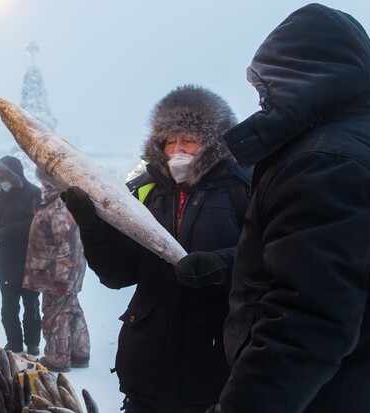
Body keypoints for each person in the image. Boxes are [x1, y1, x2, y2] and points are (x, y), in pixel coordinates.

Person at [174, 4, 370, 412]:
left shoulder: (323, 163)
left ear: (304, 80)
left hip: (322, 398)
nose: (263, 101)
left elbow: (305, 324)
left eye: (267, 89)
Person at [62, 85, 251, 412]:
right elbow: (118, 273)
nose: (178, 149)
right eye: (170, 140)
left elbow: (269, 259)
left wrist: (223, 265)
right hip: (146, 371)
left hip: (214, 368)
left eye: (190, 139)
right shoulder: (143, 192)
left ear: (214, 143)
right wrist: (94, 229)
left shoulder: (242, 188)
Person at [22, 168, 90, 372]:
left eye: (44, 181)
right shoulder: (56, 204)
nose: (42, 186)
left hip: (55, 274)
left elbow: (67, 246)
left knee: (55, 315)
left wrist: (62, 279)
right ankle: (80, 353)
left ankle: (57, 359)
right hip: (61, 272)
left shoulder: (60, 207)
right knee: (72, 310)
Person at [0, 155, 42, 355]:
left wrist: (6, 231)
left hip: (29, 260)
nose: (1, 183)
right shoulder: (0, 196)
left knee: (31, 307)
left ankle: (33, 343)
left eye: (3, 178)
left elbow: (36, 224)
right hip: (7, 261)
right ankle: (14, 343)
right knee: (8, 309)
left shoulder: (34, 193)